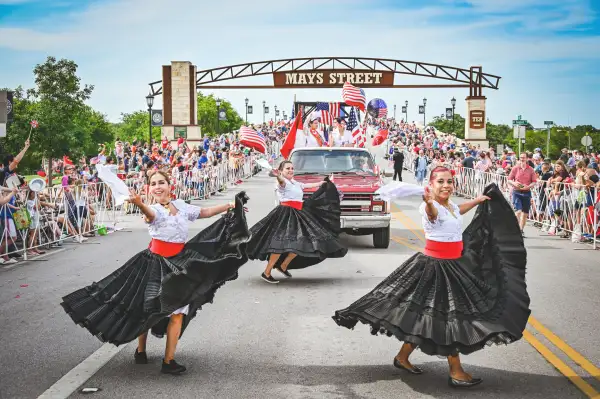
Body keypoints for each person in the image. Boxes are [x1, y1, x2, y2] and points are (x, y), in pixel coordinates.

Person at [333, 166, 530, 388]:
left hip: (452, 266)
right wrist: (428, 202)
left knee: (428, 317)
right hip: (435, 268)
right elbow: (433, 215)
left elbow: (457, 211)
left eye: (449, 181)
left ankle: (402, 357)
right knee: (448, 318)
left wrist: (477, 201)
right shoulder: (429, 206)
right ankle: (456, 371)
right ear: (431, 184)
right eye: (441, 182)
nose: (446, 185)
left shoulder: (450, 204)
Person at [61, 171, 251, 375]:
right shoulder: (152, 209)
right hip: (154, 264)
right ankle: (140, 350)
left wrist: (229, 206)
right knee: (147, 309)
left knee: (177, 313)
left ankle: (168, 361)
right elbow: (149, 215)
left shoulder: (182, 207)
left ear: (170, 185)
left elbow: (203, 212)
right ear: (149, 189)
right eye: (153, 184)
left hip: (179, 265)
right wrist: (139, 203)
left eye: (161, 182)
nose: (158, 186)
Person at [247, 160, 347, 284]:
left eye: (292, 168)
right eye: (287, 168)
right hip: (285, 214)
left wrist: (324, 183)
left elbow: (309, 186)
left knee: (301, 242)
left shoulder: (295, 183)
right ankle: (266, 272)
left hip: (298, 213)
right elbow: (280, 181)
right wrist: (277, 175)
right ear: (282, 171)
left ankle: (283, 266)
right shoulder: (282, 183)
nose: (290, 170)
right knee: (279, 244)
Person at [508, 152, 537, 237]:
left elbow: (534, 182)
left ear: (527, 158)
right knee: (518, 211)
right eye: (521, 157)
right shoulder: (515, 168)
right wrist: (514, 184)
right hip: (516, 192)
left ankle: (521, 230)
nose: (522, 159)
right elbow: (509, 179)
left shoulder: (531, 169)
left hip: (526, 193)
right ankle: (515, 229)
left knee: (524, 214)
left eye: (524, 157)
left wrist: (528, 187)